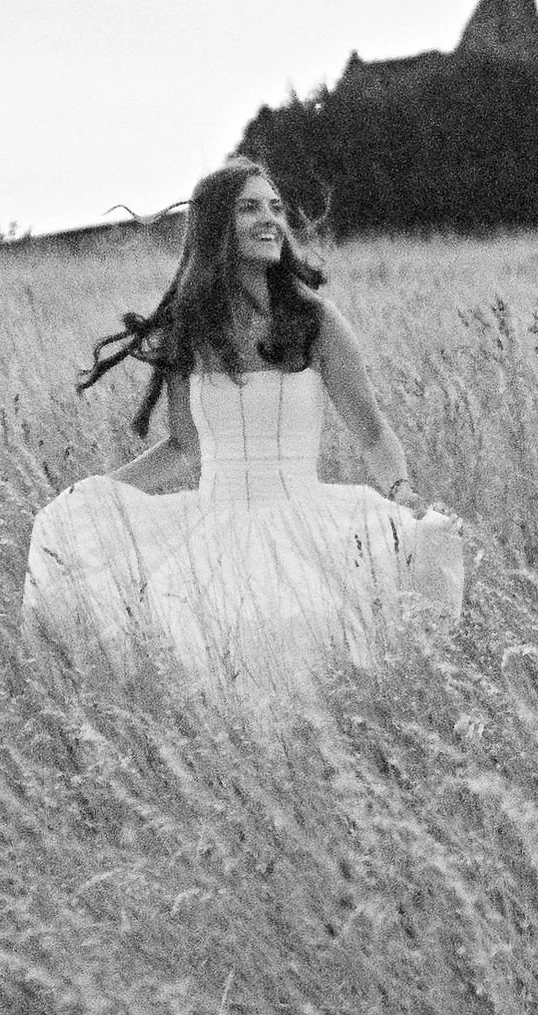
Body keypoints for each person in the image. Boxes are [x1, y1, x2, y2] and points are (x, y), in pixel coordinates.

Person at [23, 156, 463, 691]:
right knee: (208, 659)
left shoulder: (315, 322)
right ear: (216, 227)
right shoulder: (191, 329)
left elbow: (371, 432)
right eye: (250, 208)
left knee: (303, 649)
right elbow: (183, 447)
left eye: (275, 208)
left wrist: (401, 491)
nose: (270, 219)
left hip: (306, 530)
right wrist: (98, 495)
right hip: (213, 536)